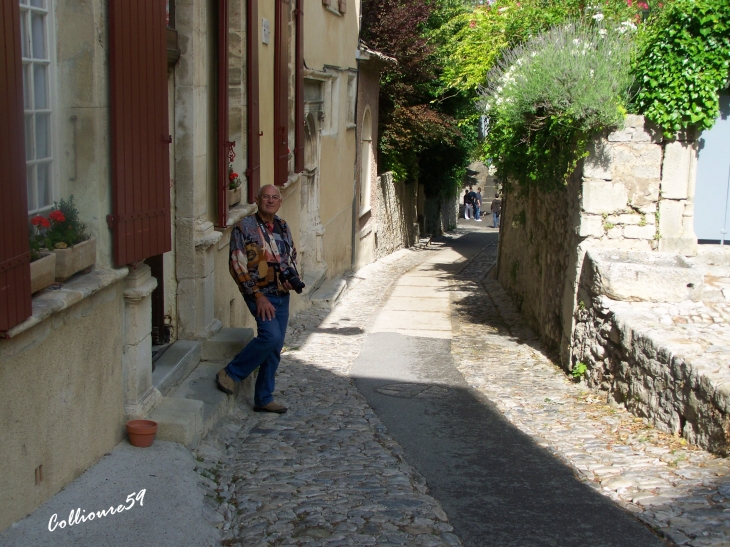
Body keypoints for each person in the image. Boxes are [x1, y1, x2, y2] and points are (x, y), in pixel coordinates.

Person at [216, 184, 300, 413]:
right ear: (257, 200)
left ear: (279, 202)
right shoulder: (244, 227)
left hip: (281, 295)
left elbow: (290, 256)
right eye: (266, 197)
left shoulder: (282, 226)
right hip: (260, 295)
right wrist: (258, 295)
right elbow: (237, 265)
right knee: (270, 337)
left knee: (275, 347)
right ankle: (231, 373)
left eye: (275, 197)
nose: (270, 201)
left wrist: (290, 279)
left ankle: (264, 398)